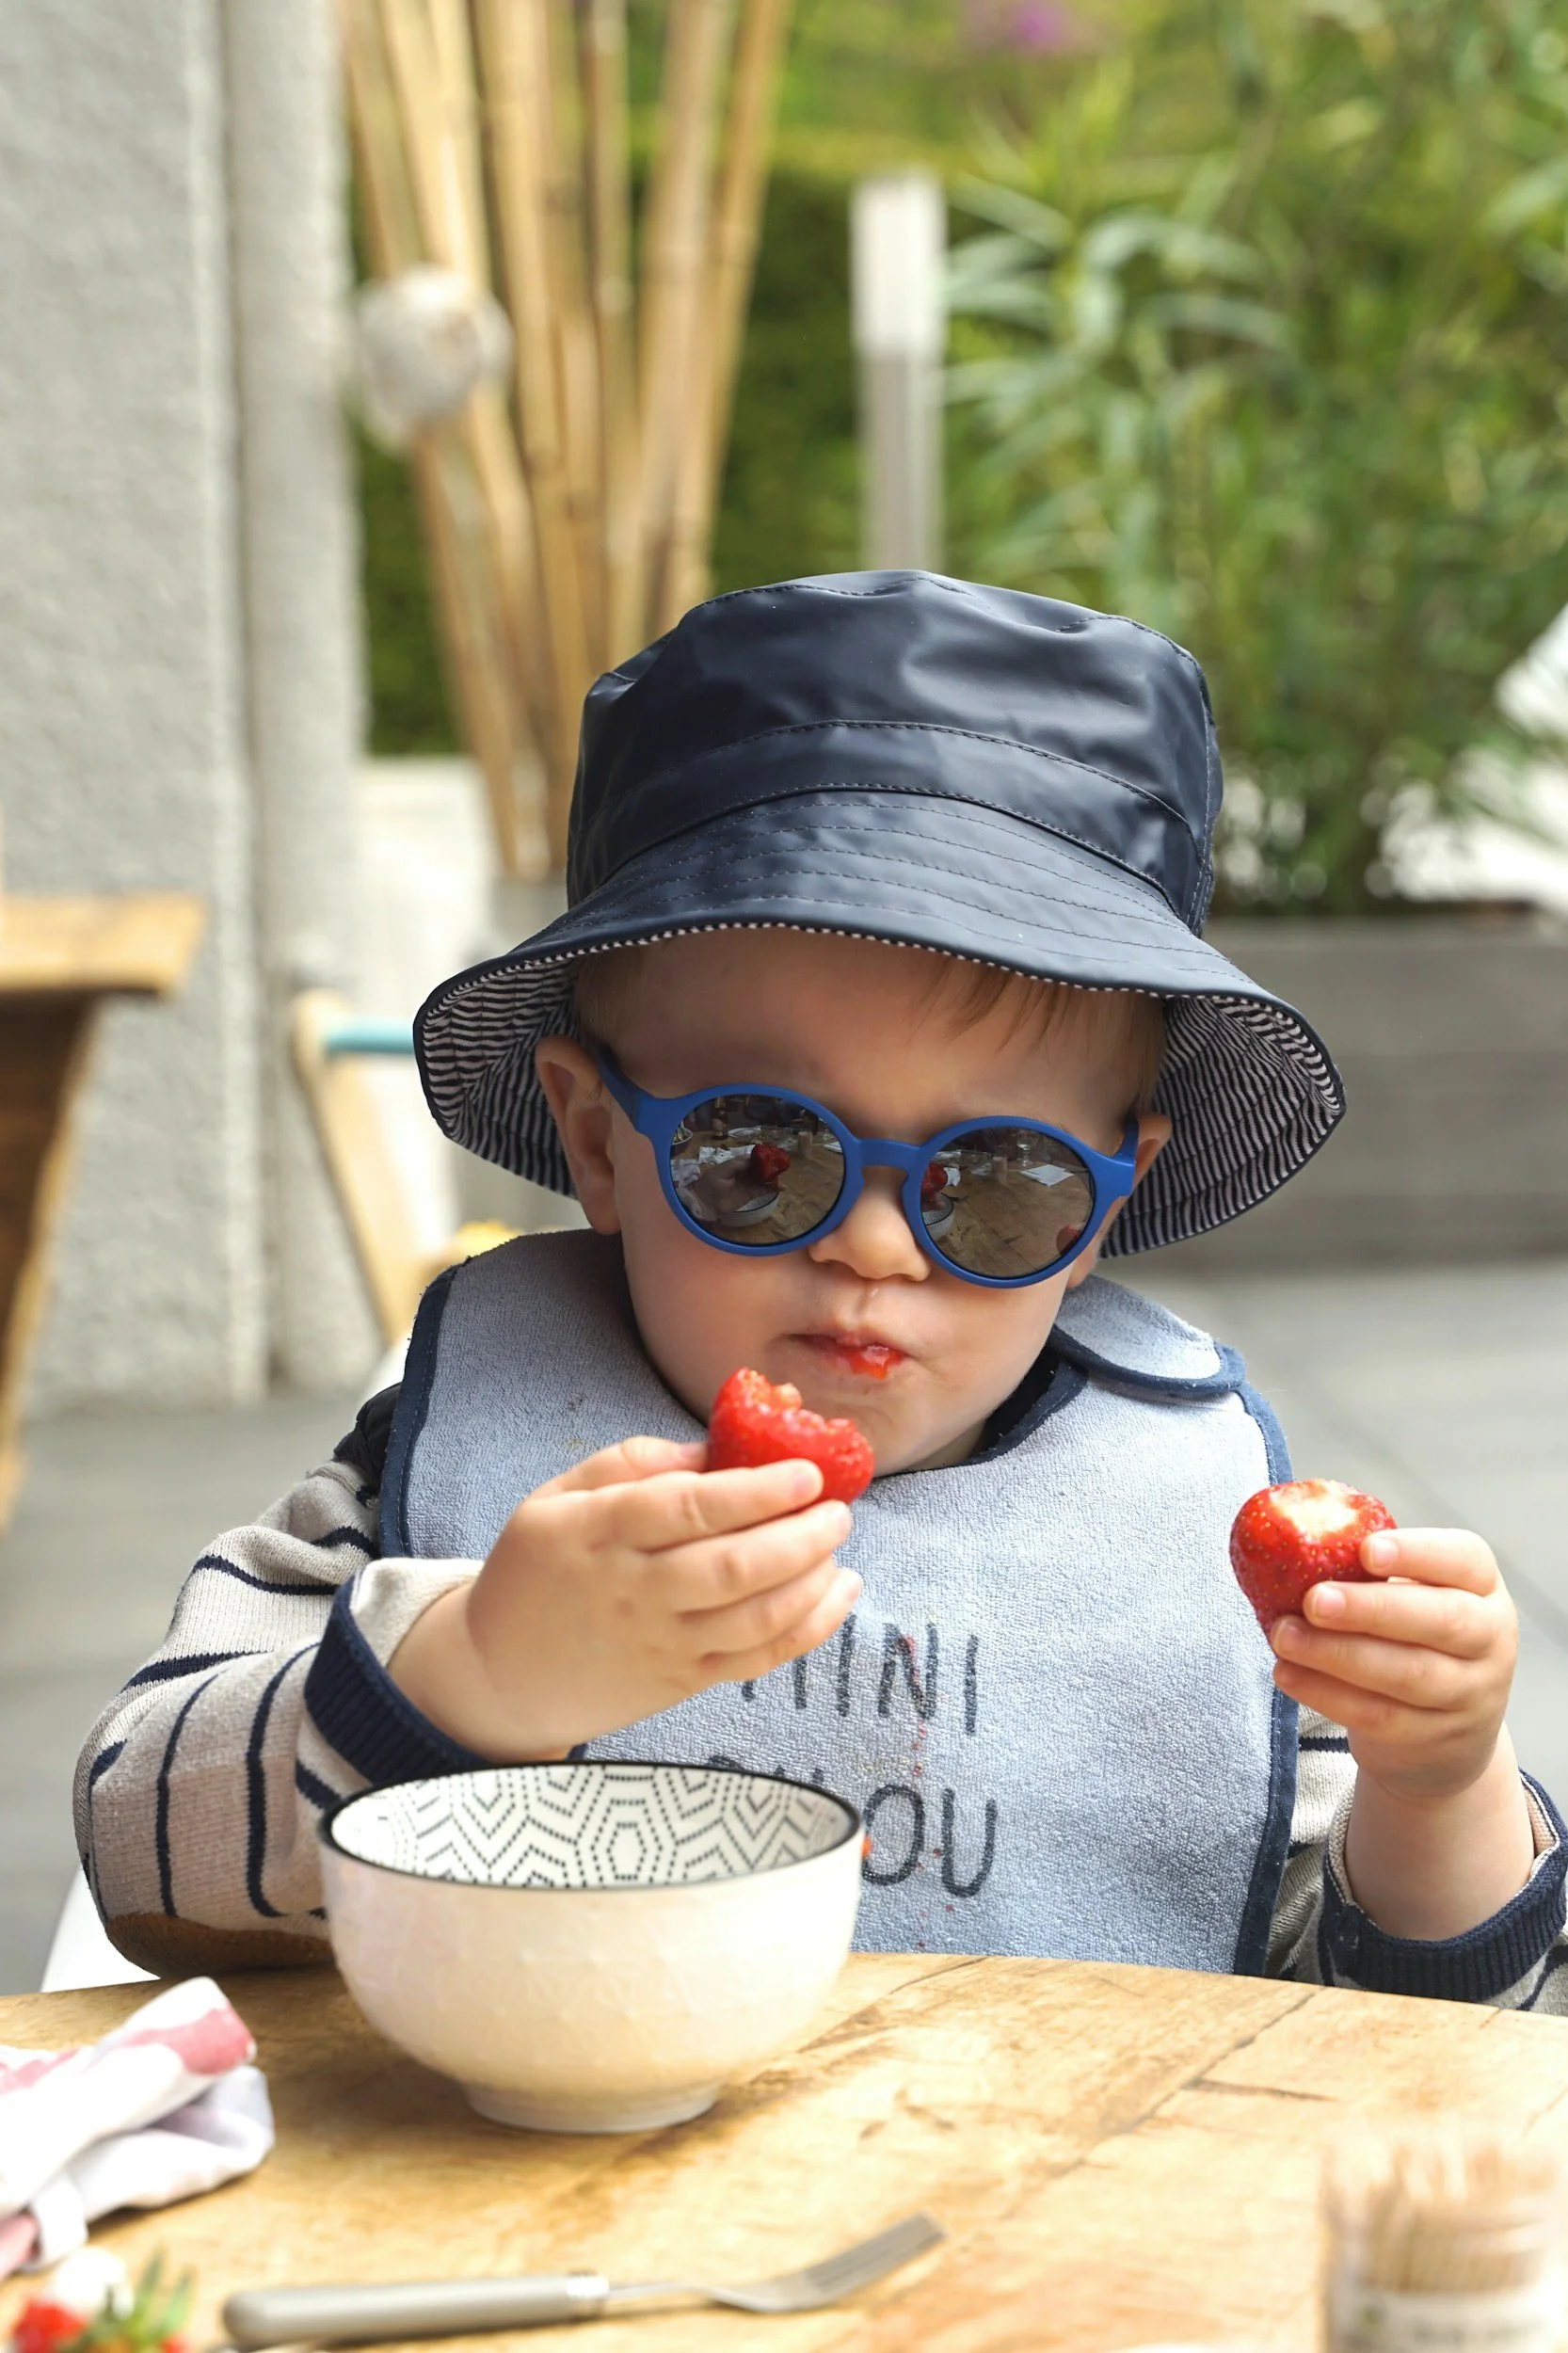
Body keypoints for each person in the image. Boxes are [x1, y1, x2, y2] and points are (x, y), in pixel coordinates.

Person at [78, 573, 1566, 2000]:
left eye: (998, 1182)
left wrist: (1435, 1780)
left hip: (1065, 2229)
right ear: (597, 1141)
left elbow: (1406, 2025)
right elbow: (143, 1842)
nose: (871, 1246)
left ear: (1109, 1194)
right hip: (539, 2228)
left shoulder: (1183, 1534)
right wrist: (470, 1671)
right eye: (758, 1155)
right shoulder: (454, 1451)